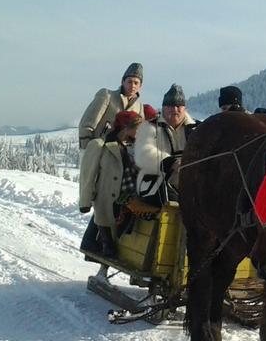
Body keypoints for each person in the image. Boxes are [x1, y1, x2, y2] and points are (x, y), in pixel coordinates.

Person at [78, 110, 143, 272]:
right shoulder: (100, 145)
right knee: (108, 241)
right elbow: (88, 175)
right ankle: (100, 250)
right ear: (127, 128)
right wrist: (85, 201)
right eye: (138, 129)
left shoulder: (128, 148)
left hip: (126, 199)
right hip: (106, 199)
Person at [134, 84, 197, 204]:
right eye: (170, 106)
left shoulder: (197, 129)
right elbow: (143, 153)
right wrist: (169, 162)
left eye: (179, 106)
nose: (175, 110)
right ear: (163, 108)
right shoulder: (149, 127)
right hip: (156, 186)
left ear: (185, 108)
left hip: (191, 186)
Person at [77, 62, 144, 150]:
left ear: (140, 86)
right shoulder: (107, 96)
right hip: (98, 150)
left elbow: (140, 134)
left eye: (136, 83)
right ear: (122, 82)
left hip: (121, 156)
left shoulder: (139, 107)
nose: (132, 85)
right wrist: (87, 150)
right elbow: (86, 124)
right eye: (129, 81)